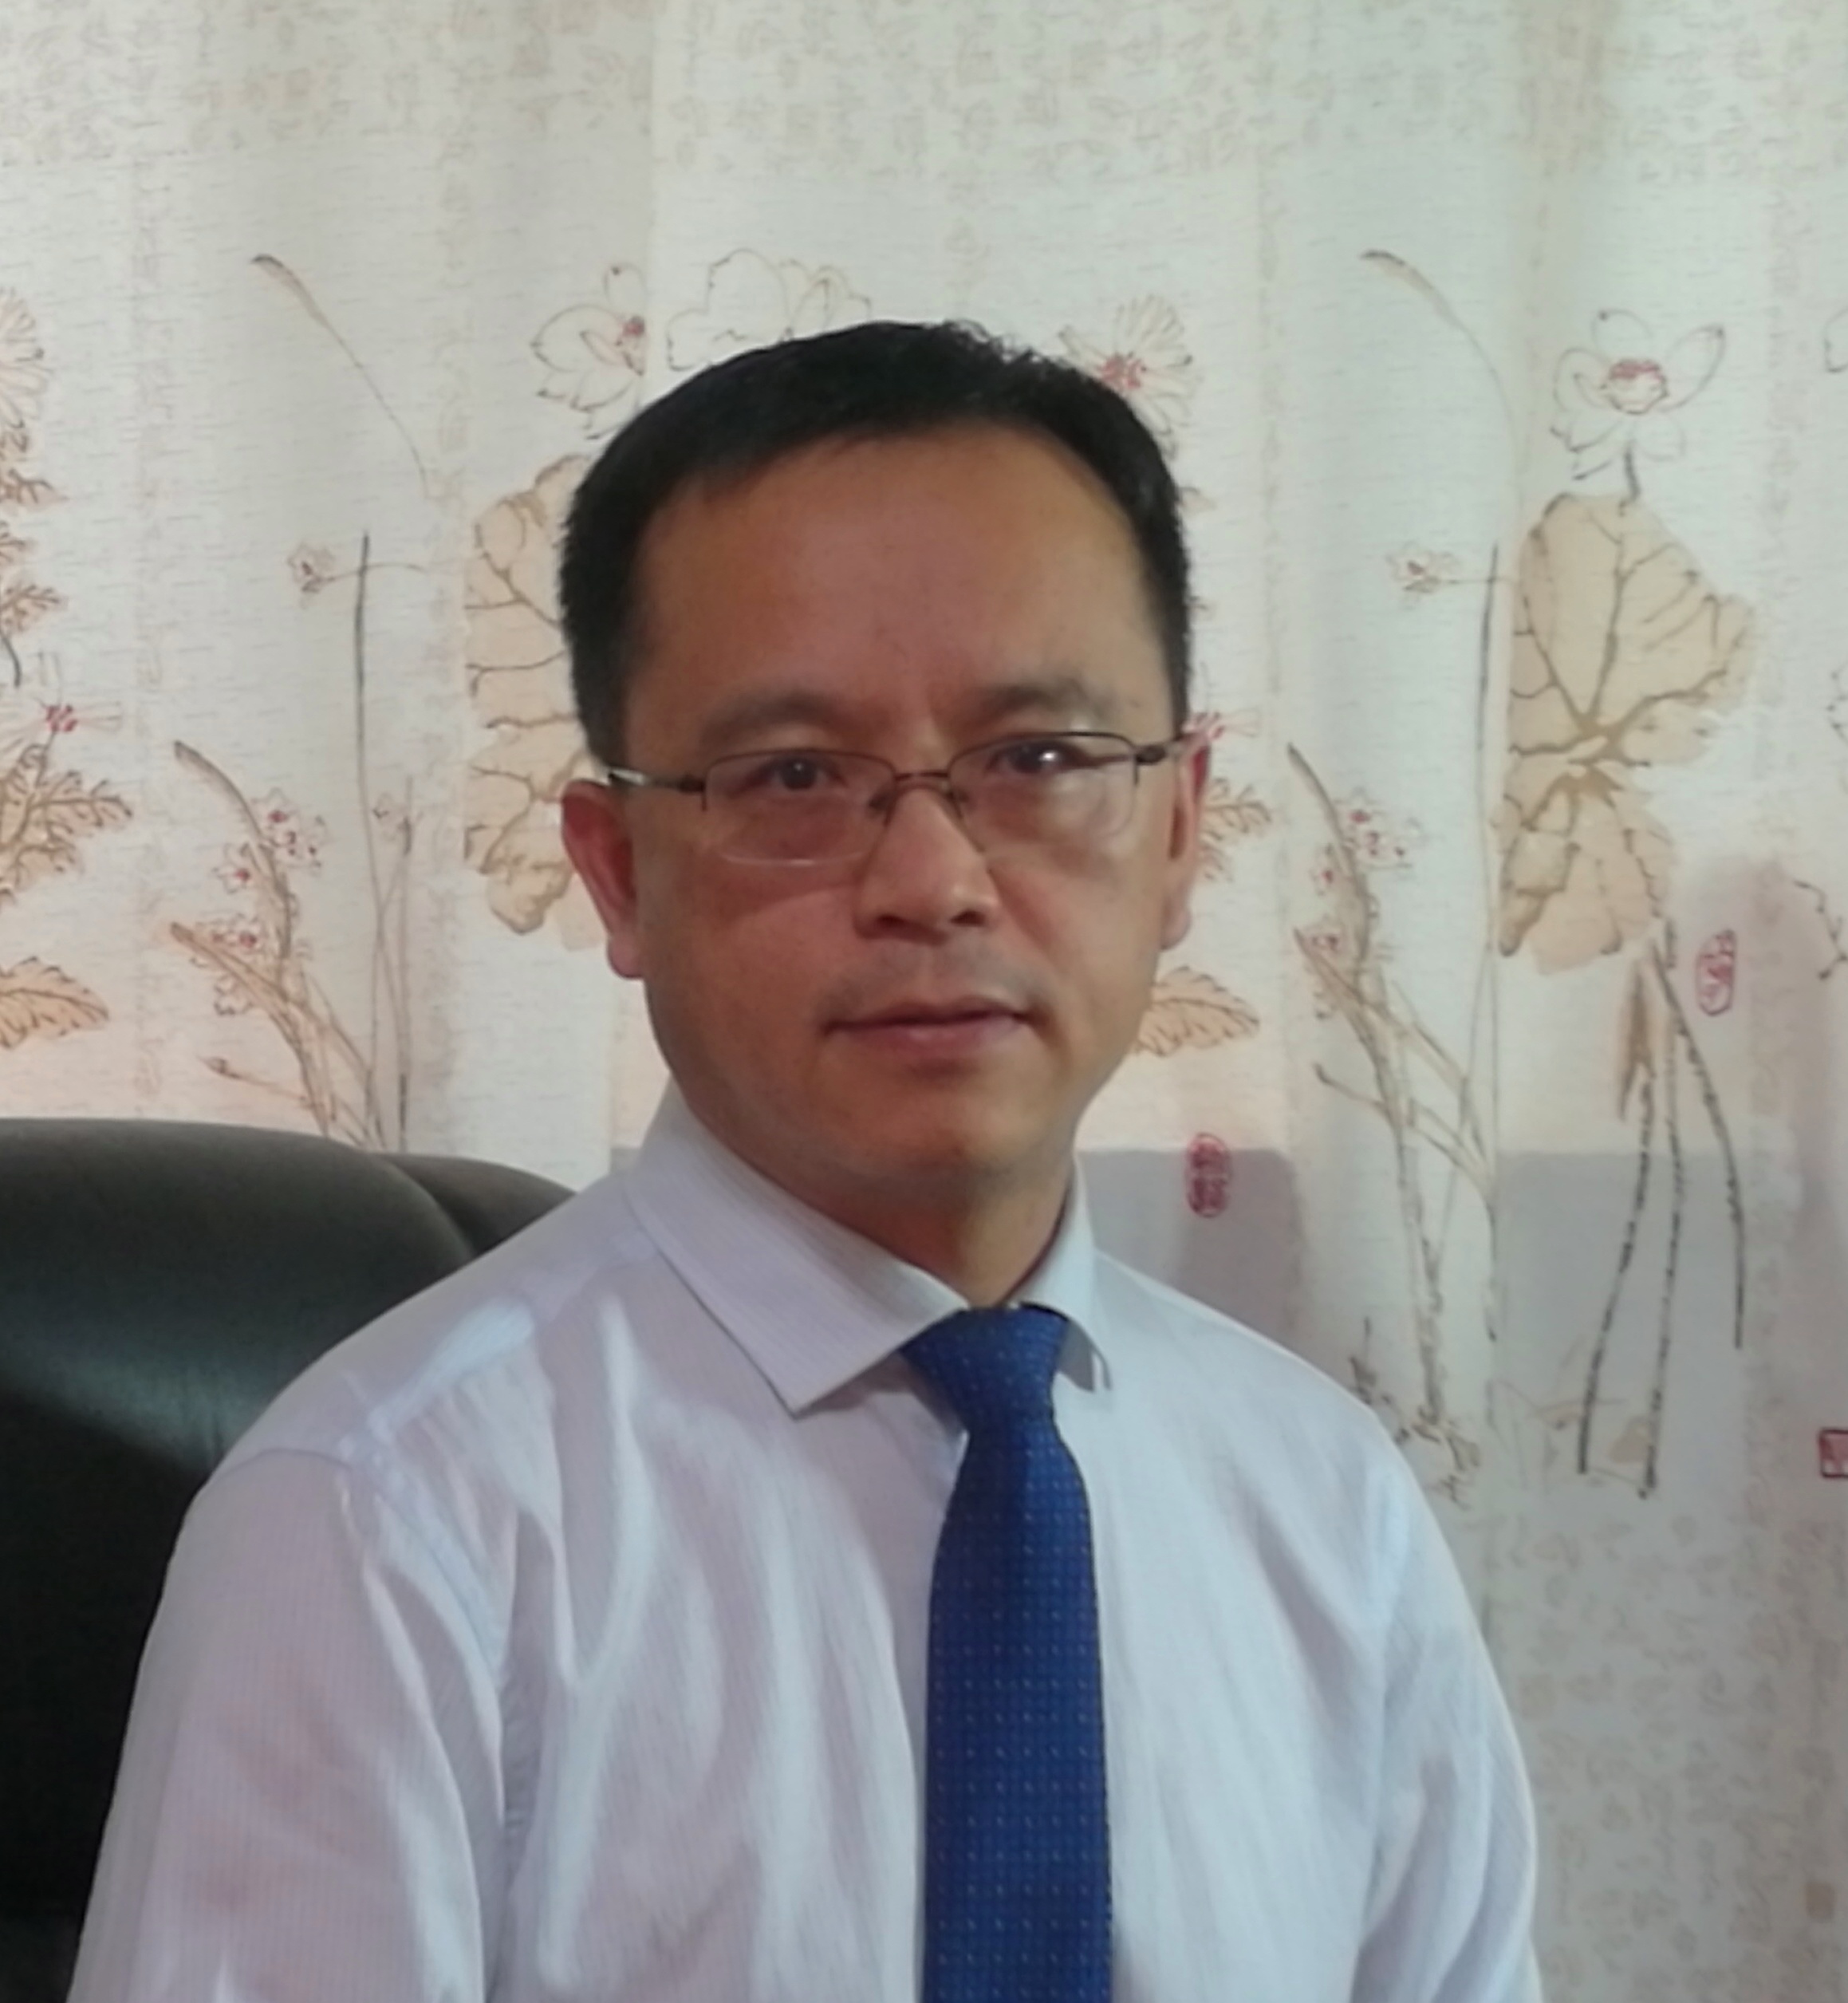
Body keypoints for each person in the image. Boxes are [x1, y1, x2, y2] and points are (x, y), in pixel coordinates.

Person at [71, 321, 1541, 2001]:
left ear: (1181, 828)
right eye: (792, 776)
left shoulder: (1325, 1505)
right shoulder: (388, 1518)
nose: (932, 881)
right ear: (618, 871)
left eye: (1038, 761)